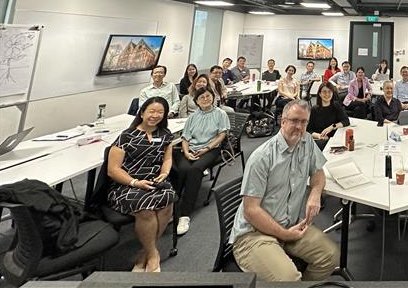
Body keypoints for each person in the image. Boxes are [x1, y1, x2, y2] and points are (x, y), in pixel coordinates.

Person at [230, 100, 339, 281]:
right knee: (289, 278)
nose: (299, 127)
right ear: (283, 121)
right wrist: (284, 234)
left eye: (304, 122)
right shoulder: (262, 157)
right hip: (254, 234)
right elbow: (250, 210)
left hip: (290, 224)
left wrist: (315, 193)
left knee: (330, 256)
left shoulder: (307, 141)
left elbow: (318, 172)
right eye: (294, 120)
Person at [107, 97, 176, 273]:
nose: (155, 115)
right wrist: (135, 182)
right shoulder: (126, 136)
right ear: (142, 112)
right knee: (146, 209)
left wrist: (164, 173)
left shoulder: (165, 134)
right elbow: (113, 170)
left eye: (160, 112)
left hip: (154, 181)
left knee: (168, 200)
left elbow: (167, 159)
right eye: (151, 111)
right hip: (127, 184)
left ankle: (145, 252)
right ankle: (152, 255)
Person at [173, 87, 229, 235]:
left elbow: (222, 135)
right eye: (201, 97)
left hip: (211, 149)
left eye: (208, 96)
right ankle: (171, 207)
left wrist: (207, 148)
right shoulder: (193, 117)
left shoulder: (220, 114)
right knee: (182, 169)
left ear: (213, 97)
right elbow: (185, 137)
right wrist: (186, 152)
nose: (205, 99)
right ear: (196, 101)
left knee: (195, 169)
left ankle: (185, 214)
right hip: (191, 149)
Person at [307, 83, 349, 150]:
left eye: (329, 91)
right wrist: (319, 136)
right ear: (320, 94)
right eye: (324, 92)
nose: (327, 94)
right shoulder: (314, 109)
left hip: (335, 138)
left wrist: (332, 127)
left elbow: (346, 121)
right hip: (321, 140)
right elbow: (308, 130)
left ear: (332, 93)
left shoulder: (336, 105)